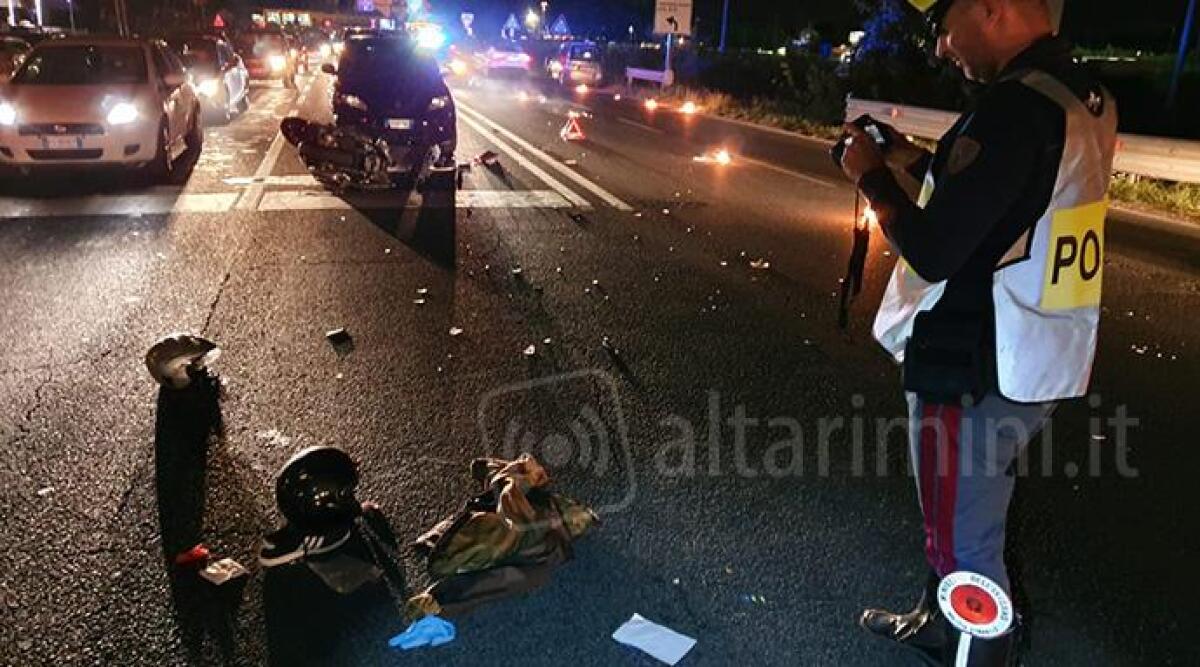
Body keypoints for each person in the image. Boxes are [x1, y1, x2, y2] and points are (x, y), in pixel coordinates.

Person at [837, 0, 1117, 664]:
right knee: (958, 517)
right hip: (1037, 350)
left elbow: (934, 249)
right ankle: (940, 622)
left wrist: (870, 177)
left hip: (975, 361)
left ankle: (972, 644)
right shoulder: (1081, 95)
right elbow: (1002, 192)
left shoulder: (1015, 107)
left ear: (992, 8)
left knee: (965, 546)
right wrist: (907, 157)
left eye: (942, 26)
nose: (939, 47)